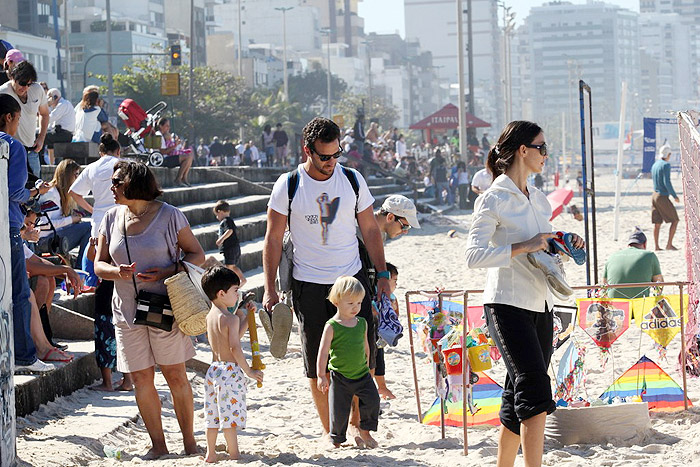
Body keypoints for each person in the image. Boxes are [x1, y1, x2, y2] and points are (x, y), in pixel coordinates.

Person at [466, 120, 584, 467]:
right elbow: (473, 257)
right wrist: (523, 245)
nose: (547, 155)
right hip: (506, 303)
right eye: (542, 148)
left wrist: (563, 242)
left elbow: (542, 251)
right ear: (523, 150)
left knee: (515, 394)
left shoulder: (540, 200)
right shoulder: (494, 198)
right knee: (535, 390)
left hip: (542, 303)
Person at [262, 117, 390, 437]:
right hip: (309, 284)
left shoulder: (352, 179)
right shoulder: (289, 185)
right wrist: (269, 289)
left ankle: (359, 425)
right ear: (307, 150)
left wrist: (384, 274)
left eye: (337, 155)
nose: (331, 162)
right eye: (324, 156)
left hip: (352, 281)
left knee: (360, 357)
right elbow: (273, 239)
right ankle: (332, 432)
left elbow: (371, 229)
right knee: (315, 363)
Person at [94, 160, 205, 459]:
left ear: (135, 182)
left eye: (117, 181)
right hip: (126, 311)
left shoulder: (170, 215)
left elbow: (198, 254)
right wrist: (118, 273)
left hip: (165, 309)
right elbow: (98, 264)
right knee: (141, 379)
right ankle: (158, 446)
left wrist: (166, 271)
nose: (112, 187)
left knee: (175, 375)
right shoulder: (110, 217)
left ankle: (190, 443)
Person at [69, 133, 133, 391]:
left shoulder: (94, 167)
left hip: (99, 226)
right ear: (117, 150)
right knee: (124, 320)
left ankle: (110, 380)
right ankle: (127, 378)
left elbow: (74, 192)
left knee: (105, 316)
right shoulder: (124, 166)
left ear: (101, 150)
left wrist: (91, 209)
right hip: (123, 230)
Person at [2, 93, 54, 373]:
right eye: (19, 118)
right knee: (20, 293)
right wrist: (35, 192)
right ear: (9, 117)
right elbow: (14, 192)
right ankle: (24, 356)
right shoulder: (13, 145)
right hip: (6, 226)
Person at [201, 266, 264, 462]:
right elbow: (235, 348)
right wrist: (250, 372)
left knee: (212, 414)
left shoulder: (211, 316)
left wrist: (245, 317)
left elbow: (229, 338)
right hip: (230, 372)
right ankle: (234, 453)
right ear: (222, 293)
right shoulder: (229, 318)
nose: (238, 295)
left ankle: (210, 453)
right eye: (235, 291)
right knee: (229, 417)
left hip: (214, 370)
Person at [316, 276, 380, 448]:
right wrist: (321, 375)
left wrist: (367, 367)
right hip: (340, 377)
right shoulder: (332, 326)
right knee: (339, 411)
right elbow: (323, 353)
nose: (355, 308)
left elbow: (366, 347)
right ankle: (336, 440)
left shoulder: (362, 323)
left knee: (373, 400)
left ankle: (364, 431)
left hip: (361, 374)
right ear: (336, 301)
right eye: (350, 303)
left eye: (359, 303)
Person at [35, 159, 91, 266]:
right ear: (67, 176)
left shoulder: (58, 193)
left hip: (51, 237)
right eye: (75, 175)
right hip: (44, 240)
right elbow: (43, 225)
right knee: (89, 227)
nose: (77, 178)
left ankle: (81, 266)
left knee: (87, 230)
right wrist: (71, 220)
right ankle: (81, 268)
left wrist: (72, 220)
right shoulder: (51, 194)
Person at [0, 60, 49, 178]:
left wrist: (41, 138)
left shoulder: (37, 90)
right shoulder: (3, 92)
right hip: (10, 150)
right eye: (22, 83)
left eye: (29, 84)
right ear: (12, 77)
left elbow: (45, 114)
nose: (25, 88)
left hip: (31, 150)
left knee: (35, 188)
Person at [603, 226, 663, 303]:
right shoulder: (649, 255)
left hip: (615, 305)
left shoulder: (612, 256)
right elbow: (659, 284)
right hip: (639, 305)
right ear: (644, 244)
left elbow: (604, 284)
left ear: (628, 245)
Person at [651, 145, 680, 251]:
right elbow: (667, 182)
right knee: (675, 220)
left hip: (654, 195)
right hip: (662, 196)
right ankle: (669, 244)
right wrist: (674, 195)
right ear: (669, 154)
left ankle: (657, 246)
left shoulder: (655, 165)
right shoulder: (666, 165)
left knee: (657, 223)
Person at [213, 200, 246, 287]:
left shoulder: (226, 221)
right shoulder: (228, 220)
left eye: (217, 214)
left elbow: (230, 230)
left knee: (229, 267)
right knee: (231, 266)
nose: (217, 217)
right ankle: (241, 279)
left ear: (220, 212)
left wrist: (221, 239)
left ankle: (235, 282)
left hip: (230, 248)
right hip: (234, 248)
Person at [157, 117, 194, 186]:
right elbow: (163, 152)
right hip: (163, 159)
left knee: (190, 155)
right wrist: (175, 145)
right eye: (166, 126)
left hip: (167, 157)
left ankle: (184, 177)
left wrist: (175, 143)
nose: (168, 128)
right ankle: (178, 179)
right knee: (187, 157)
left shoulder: (163, 135)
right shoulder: (159, 136)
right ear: (161, 126)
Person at [44, 88, 75, 164]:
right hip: (62, 132)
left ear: (54, 97)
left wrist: (46, 105)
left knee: (40, 136)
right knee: (48, 136)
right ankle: (51, 163)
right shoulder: (63, 104)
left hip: (64, 134)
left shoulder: (62, 105)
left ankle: (39, 160)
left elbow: (50, 118)